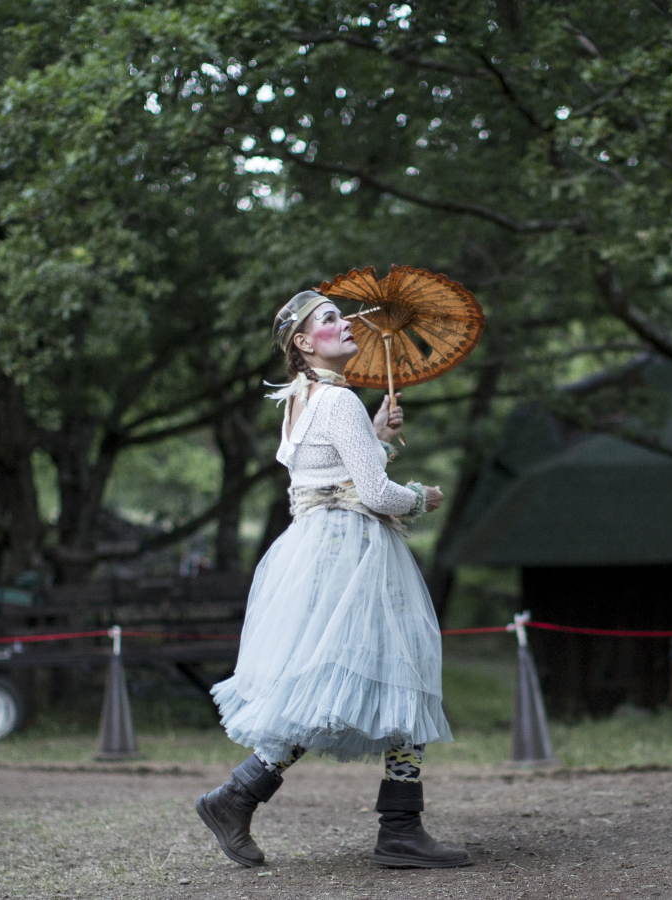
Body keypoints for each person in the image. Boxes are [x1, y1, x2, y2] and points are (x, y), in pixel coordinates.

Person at [195, 290, 470, 869]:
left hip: (316, 553)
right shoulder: (337, 400)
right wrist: (423, 497)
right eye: (328, 319)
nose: (344, 323)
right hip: (355, 555)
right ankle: (399, 828)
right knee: (405, 672)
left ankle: (237, 797)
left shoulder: (303, 401)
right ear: (302, 343)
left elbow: (333, 474)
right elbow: (373, 495)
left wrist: (378, 435)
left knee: (323, 688)